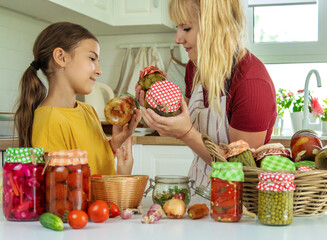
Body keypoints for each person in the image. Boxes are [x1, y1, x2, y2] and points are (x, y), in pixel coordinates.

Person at [136, 0, 276, 194]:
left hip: (237, 205)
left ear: (216, 25)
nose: (177, 38)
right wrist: (158, 110)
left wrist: (186, 133)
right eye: (177, 27)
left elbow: (241, 171)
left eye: (186, 28)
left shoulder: (251, 83)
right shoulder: (196, 67)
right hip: (197, 192)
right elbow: (180, 121)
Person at [14, 22, 141, 175]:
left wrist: (114, 145)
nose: (99, 71)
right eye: (92, 58)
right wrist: (122, 179)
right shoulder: (50, 120)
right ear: (61, 57)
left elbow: (96, 165)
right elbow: (63, 191)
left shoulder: (88, 111)